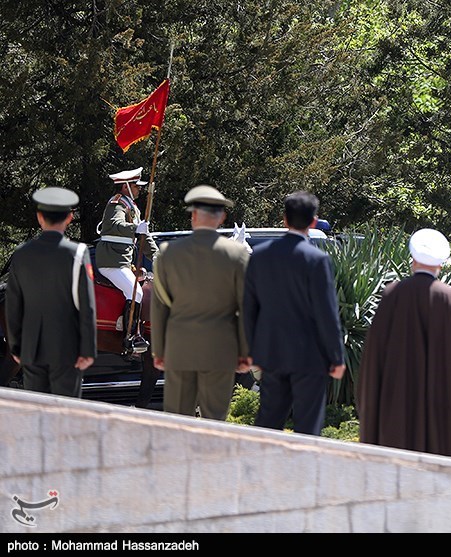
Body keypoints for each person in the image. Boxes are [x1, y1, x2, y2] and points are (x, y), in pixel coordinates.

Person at [357, 228, 451, 458]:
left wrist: (370, 405)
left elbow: (373, 356)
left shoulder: (392, 294)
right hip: (439, 411)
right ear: (440, 265)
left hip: (395, 406)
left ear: (413, 261)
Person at [243, 190, 345, 436]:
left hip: (272, 352)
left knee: (268, 424)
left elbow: (249, 307)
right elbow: (326, 312)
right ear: (313, 221)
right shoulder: (318, 259)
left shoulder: (260, 256)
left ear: (284, 219)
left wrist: (249, 351)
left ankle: (258, 472)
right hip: (309, 356)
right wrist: (336, 356)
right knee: (308, 428)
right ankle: (302, 474)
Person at [149, 185, 251, 421]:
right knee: (214, 420)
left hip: (179, 348)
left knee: (177, 420)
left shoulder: (168, 254)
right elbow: (247, 307)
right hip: (220, 349)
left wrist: (159, 350)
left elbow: (159, 306)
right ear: (222, 217)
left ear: (193, 216)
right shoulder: (237, 255)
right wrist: (245, 352)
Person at [4, 187, 97, 397]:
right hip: (67, 347)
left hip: (31, 347)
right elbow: (87, 306)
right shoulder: (78, 253)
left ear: (39, 217)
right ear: (70, 218)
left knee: (38, 413)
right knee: (66, 414)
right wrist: (88, 350)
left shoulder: (21, 254)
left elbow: (13, 306)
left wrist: (17, 347)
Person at [95, 167, 159, 355]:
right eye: (135, 186)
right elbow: (116, 225)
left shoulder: (132, 207)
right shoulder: (116, 204)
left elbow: (143, 237)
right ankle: (130, 338)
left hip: (122, 260)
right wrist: (135, 228)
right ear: (125, 187)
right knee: (137, 293)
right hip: (111, 261)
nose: (138, 189)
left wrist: (156, 255)